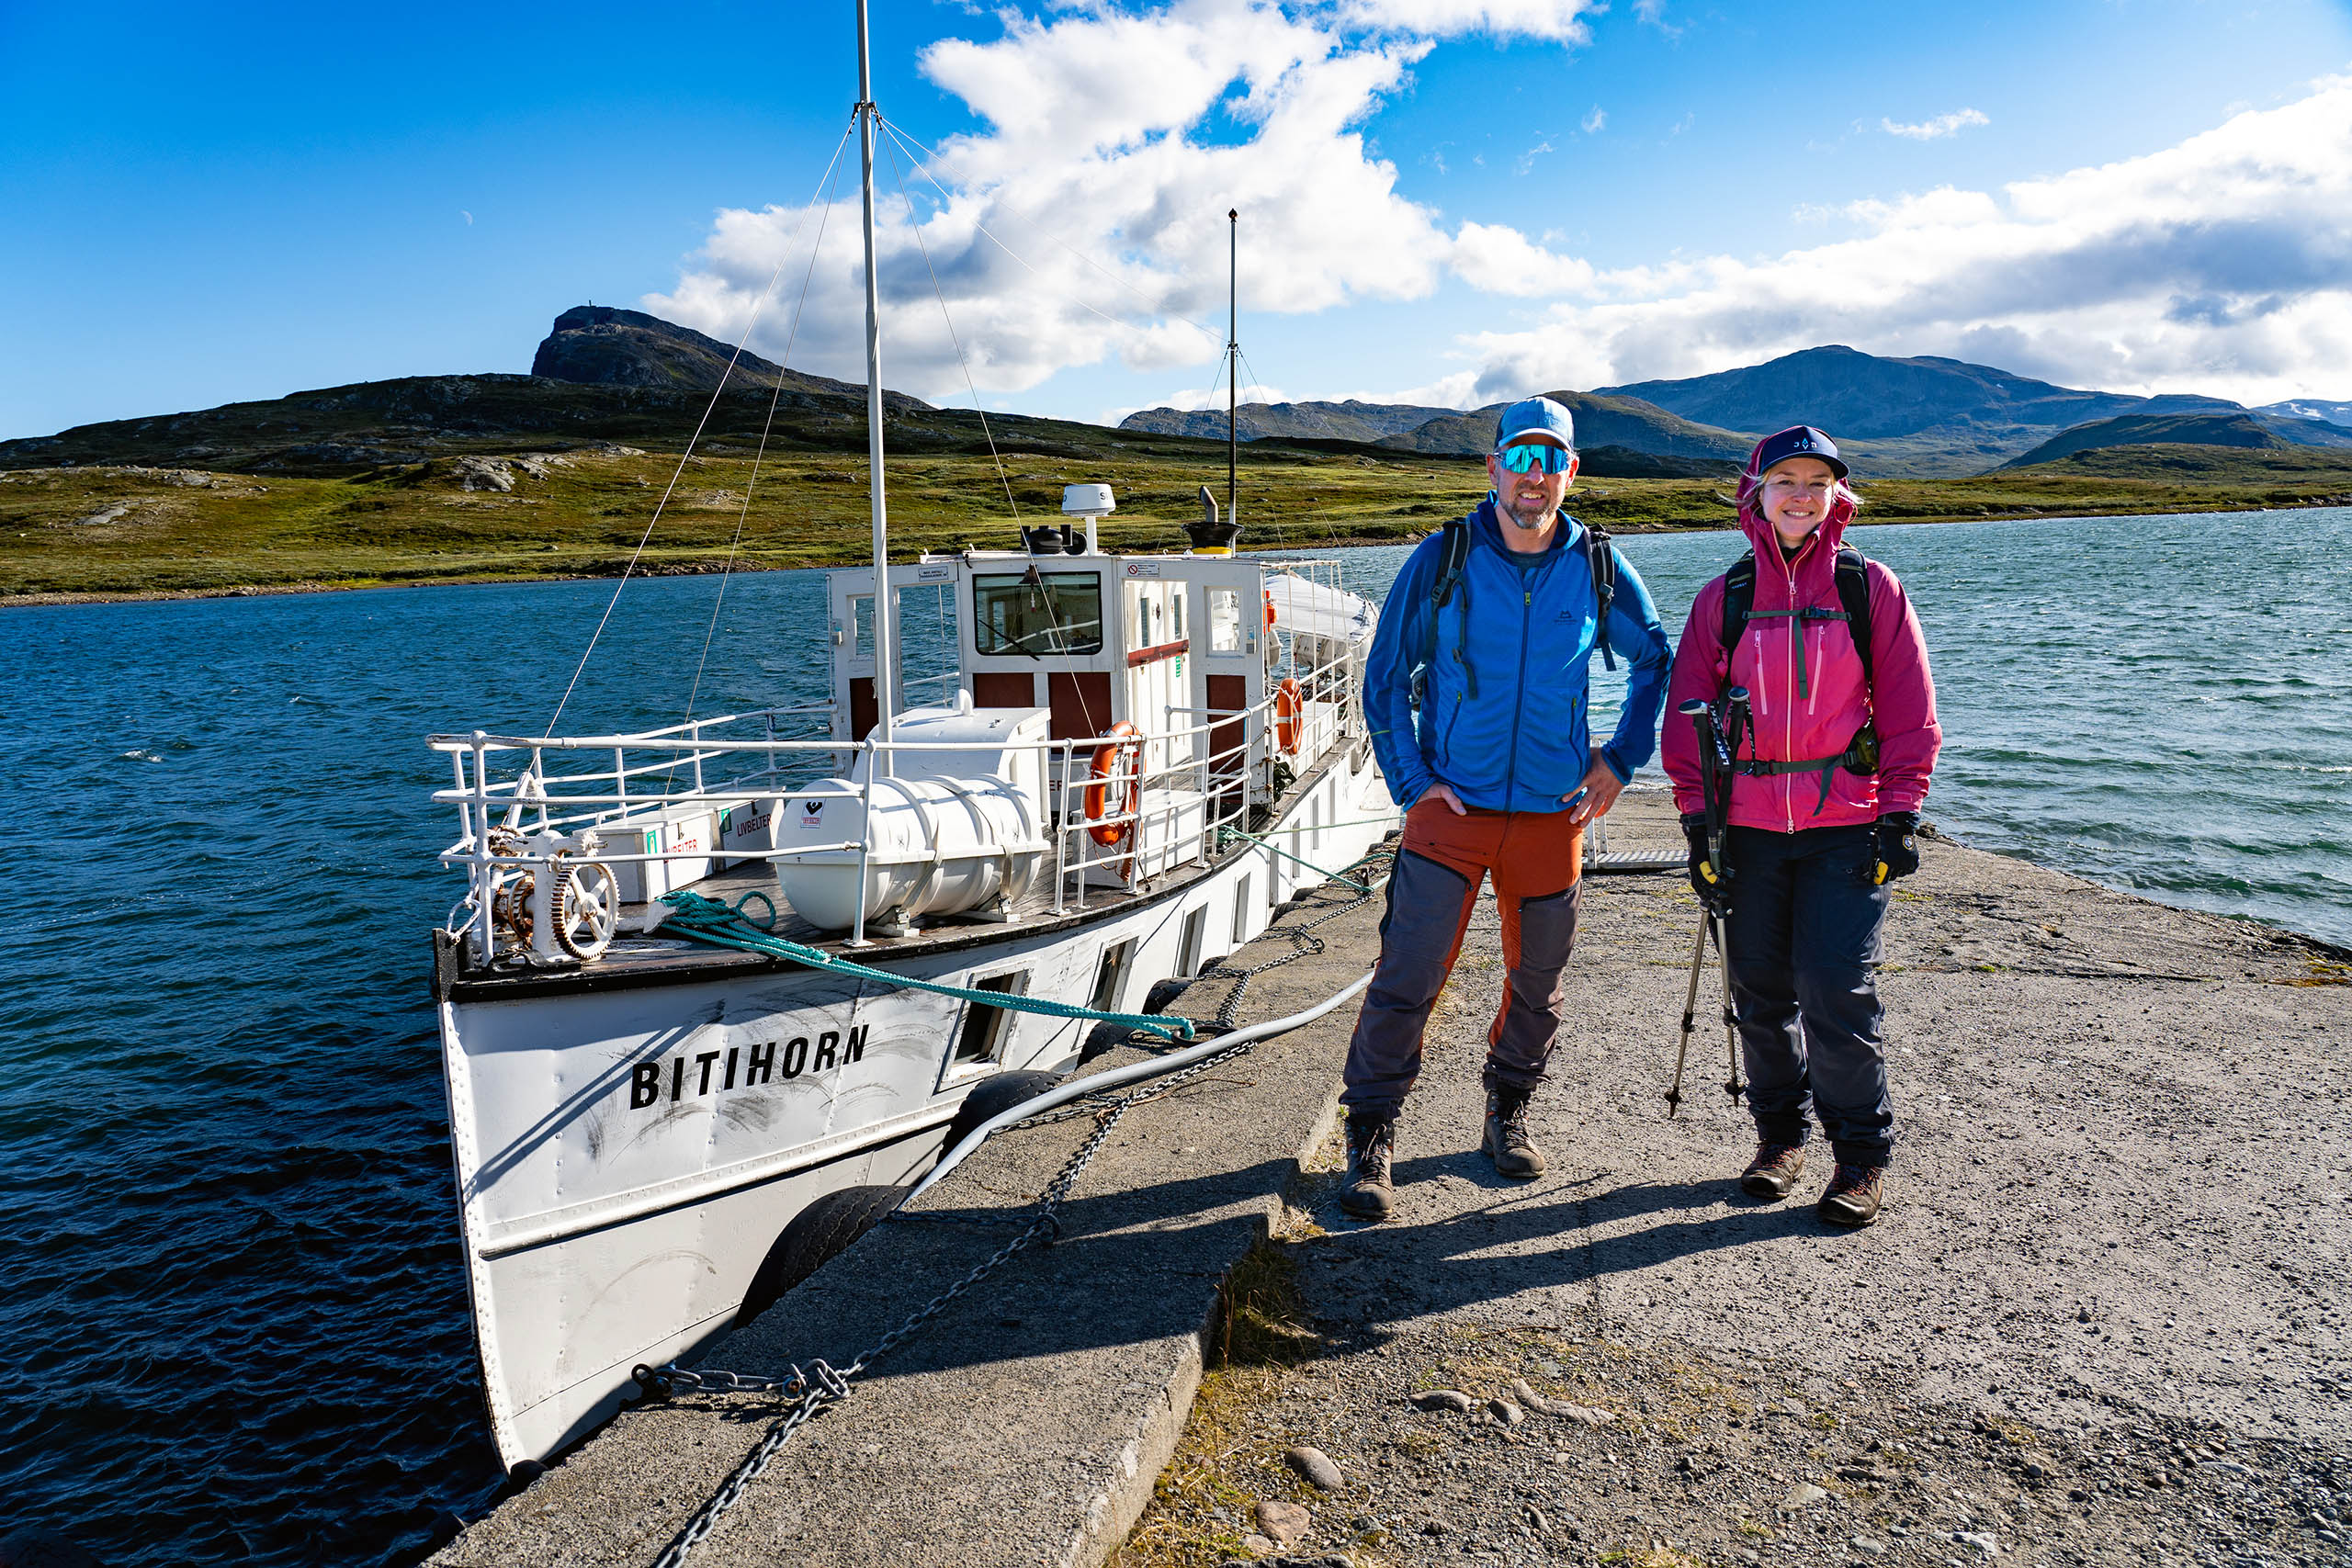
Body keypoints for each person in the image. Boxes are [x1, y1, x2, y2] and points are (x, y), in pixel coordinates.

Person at [1340, 396, 1672, 1220]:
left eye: (1549, 459)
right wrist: (1412, 779)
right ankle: (1372, 1133)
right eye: (1519, 458)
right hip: (1450, 811)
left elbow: (1655, 658)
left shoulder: (1596, 564)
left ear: (1571, 471)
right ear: (1492, 467)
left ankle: (1509, 1109)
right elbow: (1384, 676)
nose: (1533, 475)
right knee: (1408, 974)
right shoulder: (1444, 557)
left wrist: (1621, 760)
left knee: (1538, 981)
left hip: (1552, 816)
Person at [1659, 425, 1941, 1227]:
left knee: (1834, 987)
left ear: (1835, 495)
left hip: (1845, 825)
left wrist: (1901, 812)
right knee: (1758, 992)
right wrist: (1697, 825)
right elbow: (1686, 719)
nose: (1801, 495)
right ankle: (1780, 1139)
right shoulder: (1724, 597)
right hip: (1745, 828)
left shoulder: (1869, 587)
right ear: (1757, 492)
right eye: (1786, 479)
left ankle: (1861, 1155)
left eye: (1818, 481)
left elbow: (1910, 707)